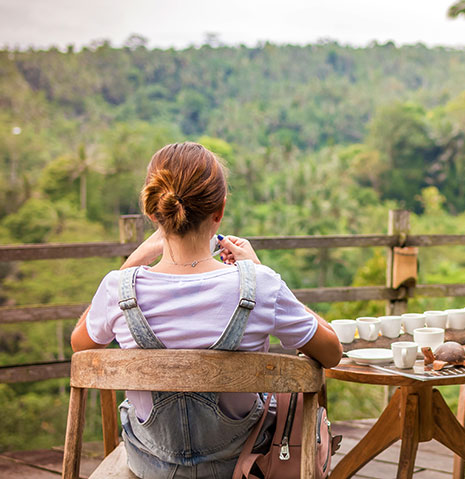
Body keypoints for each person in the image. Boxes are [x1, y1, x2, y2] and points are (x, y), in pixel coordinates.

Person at [70, 142, 343, 478]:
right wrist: (261, 272)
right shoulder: (261, 285)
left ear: (154, 212)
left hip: (148, 466)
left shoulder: (118, 289)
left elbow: (81, 345)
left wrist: (133, 261)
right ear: (220, 210)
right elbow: (331, 352)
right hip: (243, 464)